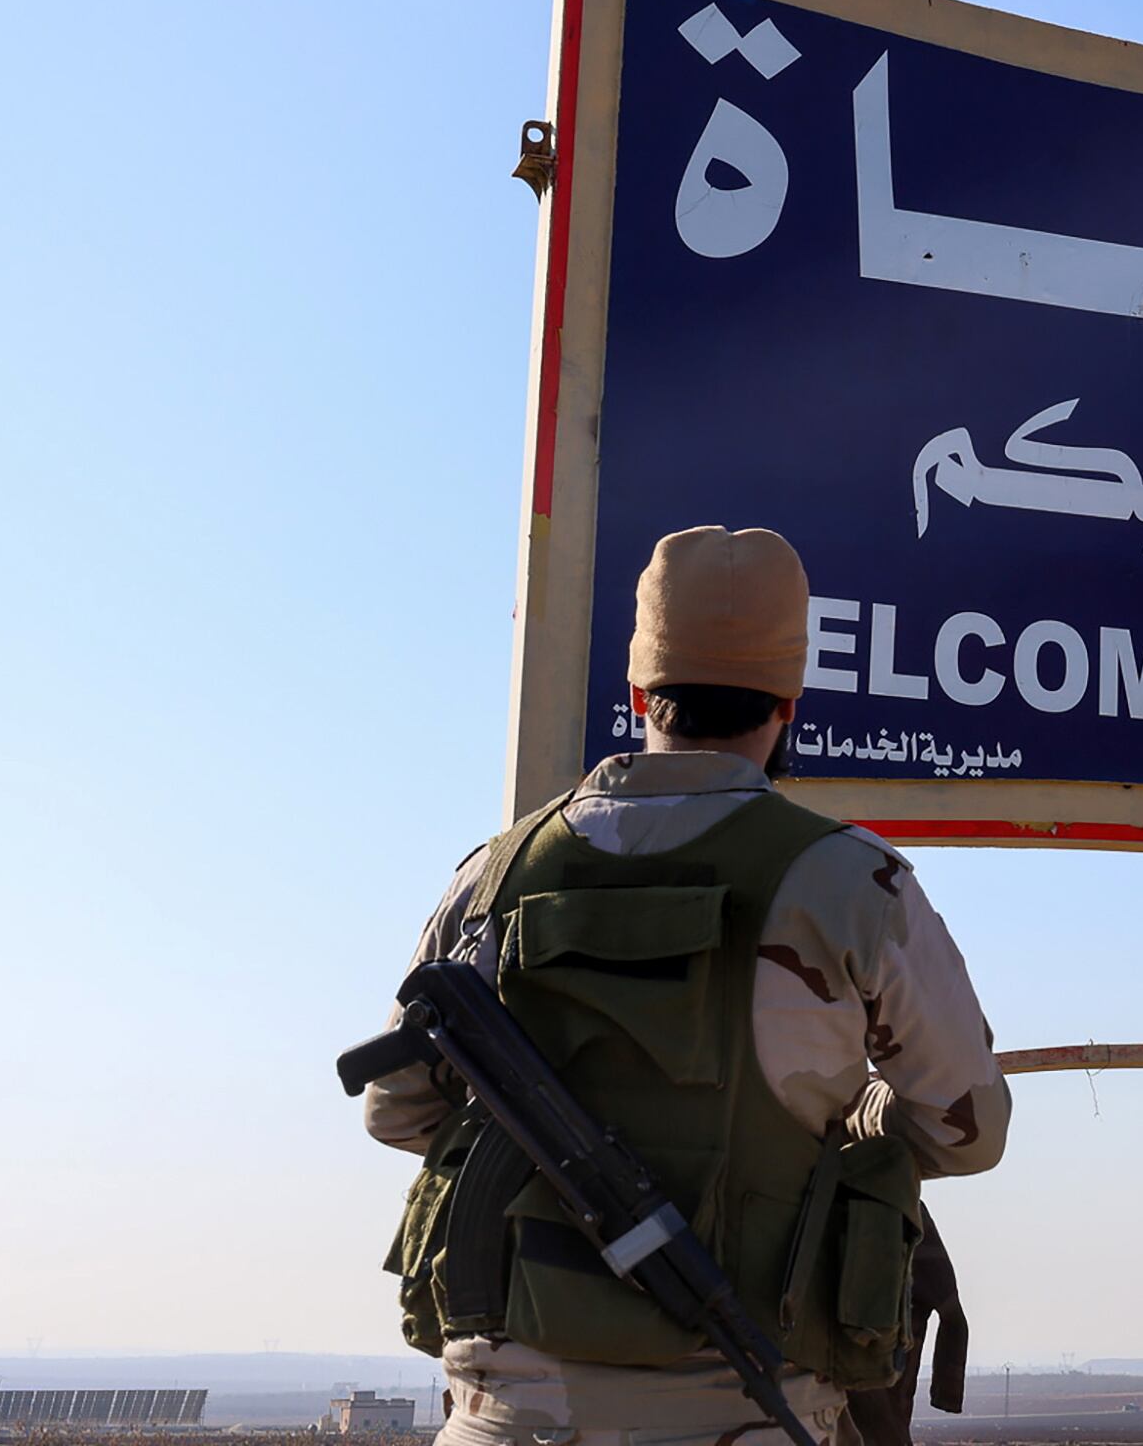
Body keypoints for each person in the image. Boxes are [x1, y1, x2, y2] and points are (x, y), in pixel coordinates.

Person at [365, 525, 1011, 1446]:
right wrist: (857, 1111)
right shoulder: (851, 883)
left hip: (505, 1419)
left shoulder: (495, 876)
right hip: (746, 1409)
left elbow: (397, 1112)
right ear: (790, 702)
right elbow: (967, 1129)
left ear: (636, 693)